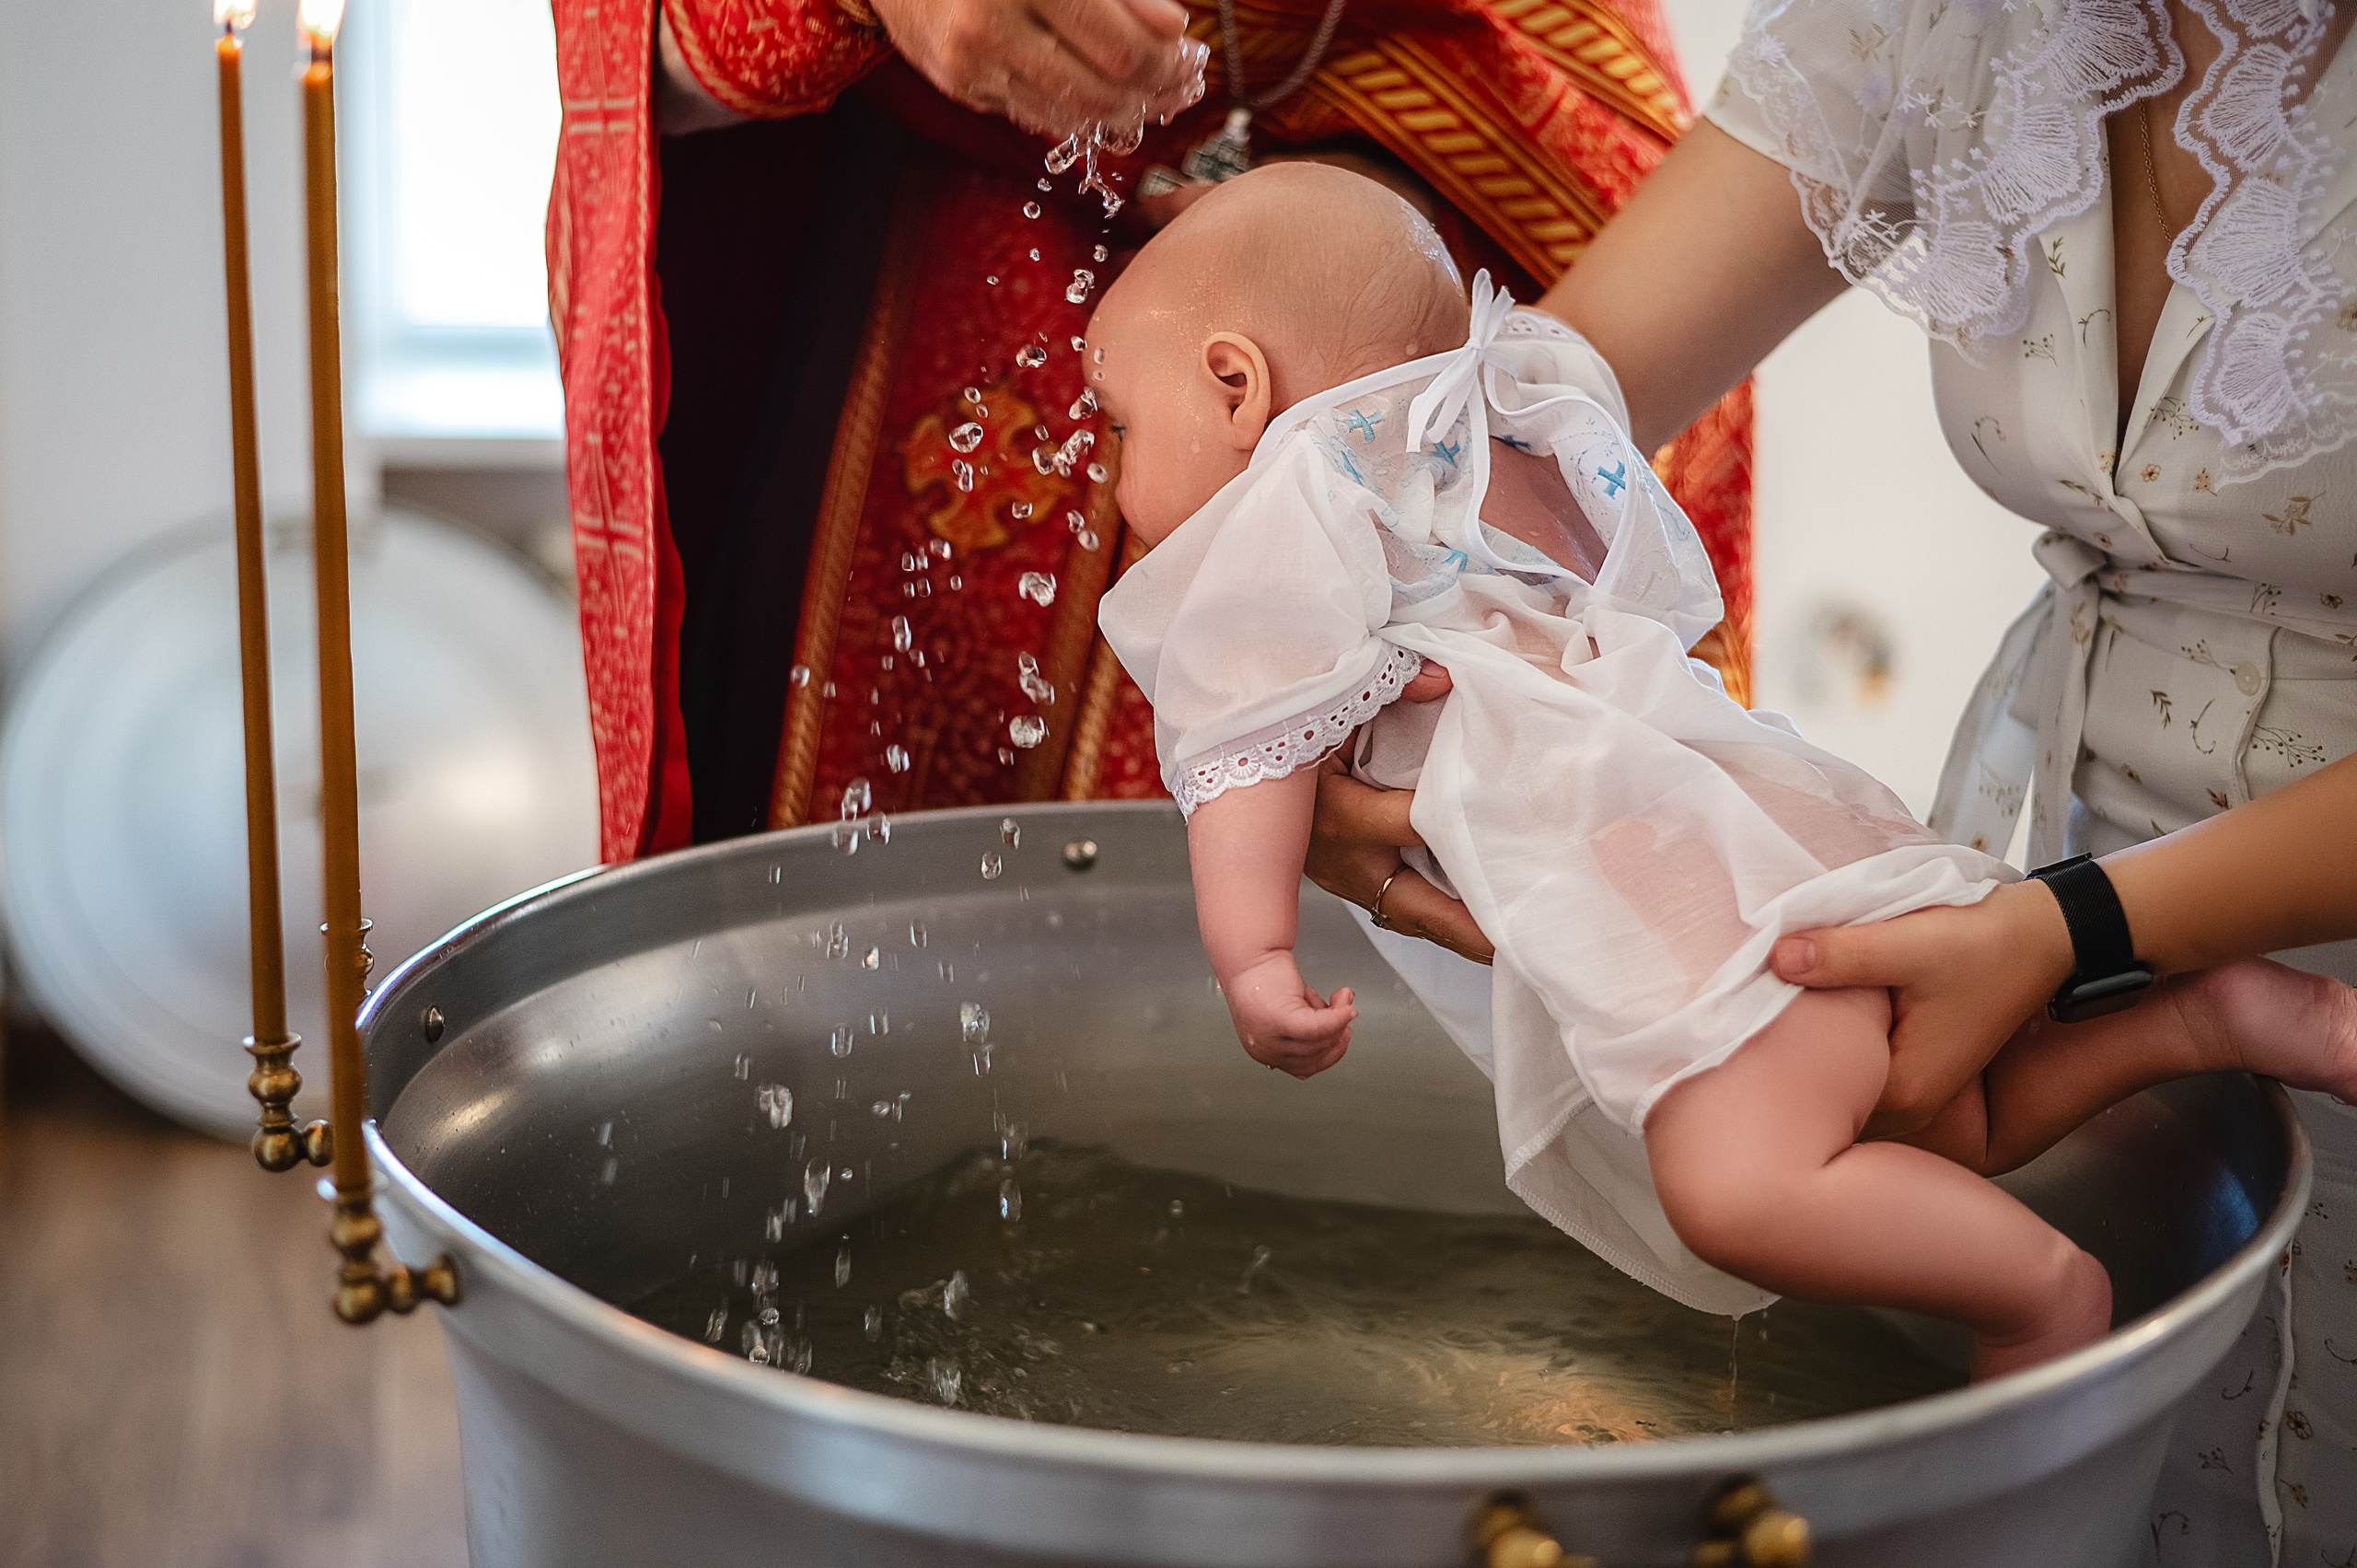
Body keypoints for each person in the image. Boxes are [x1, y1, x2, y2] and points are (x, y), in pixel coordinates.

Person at [1303, 0, 2357, 1556]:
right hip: (2073, 885)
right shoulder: (1967, 18)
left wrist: (2071, 933)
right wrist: (1330, 607)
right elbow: (1544, 408)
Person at [1086, 162, 2357, 1380]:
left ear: (1236, 386)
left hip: (1706, 927)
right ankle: (2209, 1012)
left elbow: (1244, 754)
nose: (1108, 469)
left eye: (1122, 423)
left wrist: (1253, 959)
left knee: (1738, 1191)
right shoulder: (1509, 424)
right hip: (1800, 836)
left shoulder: (1282, 515)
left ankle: (2039, 1297)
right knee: (1937, 1118)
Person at [546, 0, 1758, 865]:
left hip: (1439, 211)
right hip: (943, 258)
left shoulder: (1511, 399)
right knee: (883, 961)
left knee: (1457, 861)